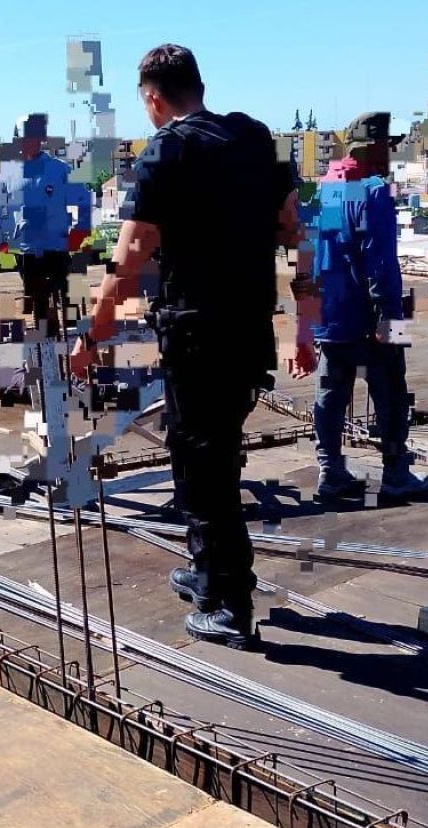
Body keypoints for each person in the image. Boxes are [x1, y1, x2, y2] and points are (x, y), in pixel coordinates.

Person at [71, 44, 301, 649]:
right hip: (249, 328)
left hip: (198, 333)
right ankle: (206, 572)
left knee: (206, 467)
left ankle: (229, 603)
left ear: (152, 97)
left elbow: (131, 255)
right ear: (199, 84)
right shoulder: (258, 138)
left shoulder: (164, 151)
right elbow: (291, 226)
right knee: (204, 453)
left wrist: (92, 334)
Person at [299, 113, 428, 500]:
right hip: (374, 316)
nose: (390, 154)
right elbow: (382, 263)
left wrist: (305, 326)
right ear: (374, 148)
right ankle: (395, 472)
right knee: (392, 390)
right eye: (388, 147)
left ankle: (331, 470)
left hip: (329, 316)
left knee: (330, 395)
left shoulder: (320, 190)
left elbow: (305, 259)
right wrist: (390, 316)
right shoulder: (374, 191)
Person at [0, 113, 91, 339]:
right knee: (39, 308)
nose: (30, 143)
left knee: (69, 305)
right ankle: (49, 358)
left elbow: (84, 199)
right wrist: (0, 236)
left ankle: (79, 355)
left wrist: (81, 229)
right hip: (26, 251)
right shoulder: (8, 174)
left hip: (56, 248)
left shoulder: (58, 169)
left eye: (35, 137)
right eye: (25, 138)